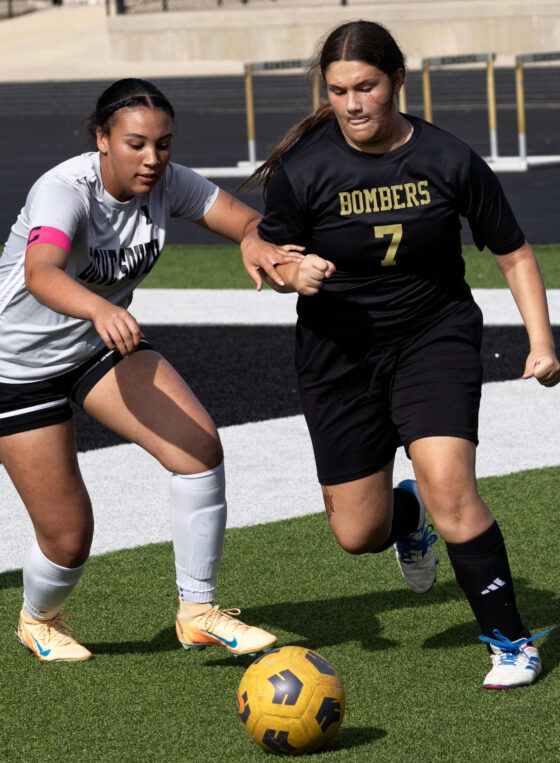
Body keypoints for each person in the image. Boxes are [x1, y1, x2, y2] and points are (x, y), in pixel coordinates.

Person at [241, 20, 559, 689]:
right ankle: (405, 514)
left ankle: (510, 640)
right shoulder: (304, 170)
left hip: (431, 338)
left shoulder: (448, 158)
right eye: (338, 91)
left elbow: (513, 251)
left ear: (398, 83)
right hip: (338, 356)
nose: (353, 104)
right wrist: (286, 273)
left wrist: (541, 339)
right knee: (358, 533)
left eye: (366, 87)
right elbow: (266, 253)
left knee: (452, 485)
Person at [0, 77, 299, 662]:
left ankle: (198, 610)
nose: (152, 158)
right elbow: (41, 272)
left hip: (93, 348)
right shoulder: (64, 189)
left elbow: (245, 221)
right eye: (136, 143)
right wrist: (98, 306)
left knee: (199, 449)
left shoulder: (169, 182)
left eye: (163, 144)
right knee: (68, 538)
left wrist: (252, 241)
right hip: (15, 367)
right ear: (102, 138)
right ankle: (39, 620)